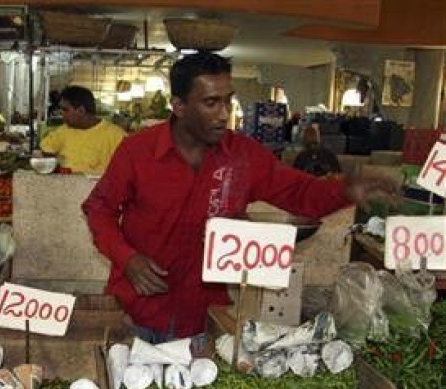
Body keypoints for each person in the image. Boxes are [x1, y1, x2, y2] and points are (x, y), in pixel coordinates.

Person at [81, 52, 397, 355]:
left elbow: (301, 193)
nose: (224, 113)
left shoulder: (244, 156)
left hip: (202, 317)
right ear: (178, 105)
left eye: (228, 100)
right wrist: (128, 259)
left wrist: (345, 190)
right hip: (136, 310)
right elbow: (99, 209)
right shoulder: (136, 152)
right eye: (211, 102)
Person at [40, 85, 126, 174]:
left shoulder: (116, 136)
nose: (61, 113)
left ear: (81, 111)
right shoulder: (64, 131)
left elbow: (127, 167)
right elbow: (46, 149)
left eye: (65, 110)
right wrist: (55, 166)